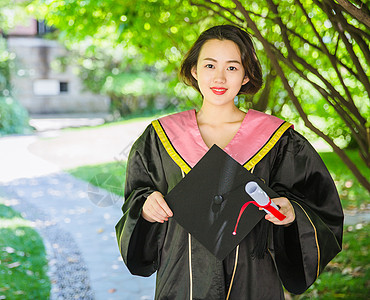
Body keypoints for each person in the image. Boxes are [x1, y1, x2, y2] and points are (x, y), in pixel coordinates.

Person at [115, 24, 343, 299]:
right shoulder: (160, 138)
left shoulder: (278, 139)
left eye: (232, 68)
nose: (220, 78)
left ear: (246, 76)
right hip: (182, 282)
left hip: (254, 281)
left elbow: (321, 208)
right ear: (194, 70)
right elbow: (136, 199)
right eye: (210, 66)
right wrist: (146, 207)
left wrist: (292, 213)